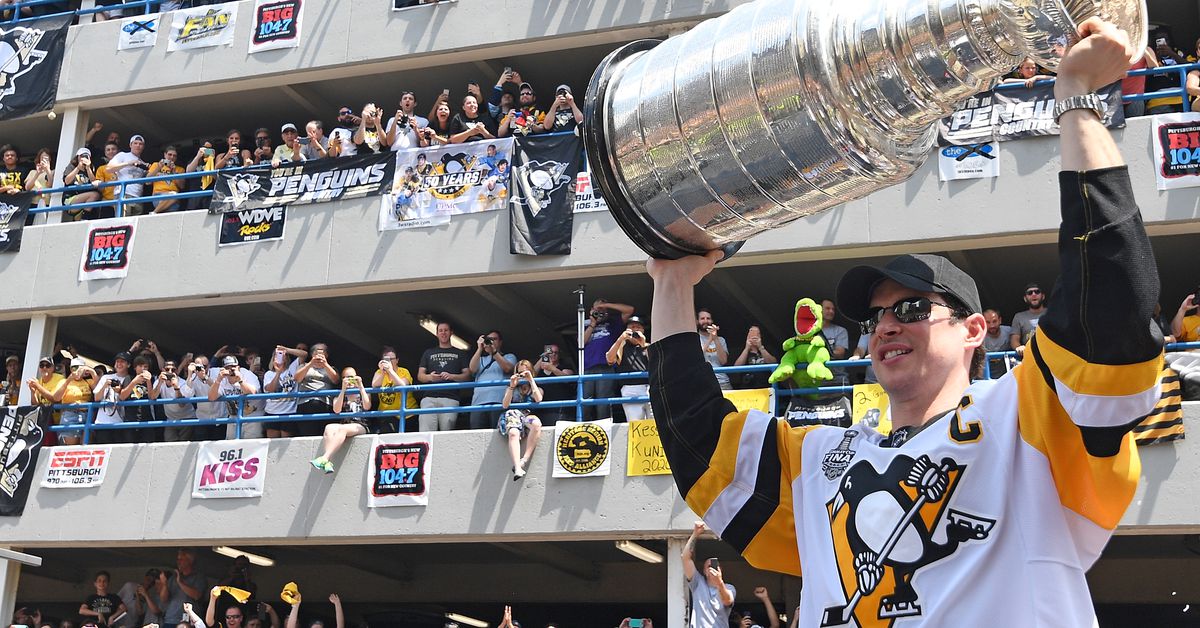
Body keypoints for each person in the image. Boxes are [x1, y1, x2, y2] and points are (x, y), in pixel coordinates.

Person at [645, 18, 1162, 625]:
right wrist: (671, 284)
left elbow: (1109, 309)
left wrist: (1076, 99)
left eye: (913, 309)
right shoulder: (820, 463)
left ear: (975, 330)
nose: (886, 325)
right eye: (876, 316)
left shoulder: (1026, 422)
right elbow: (697, 440)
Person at [309, 367, 372, 473]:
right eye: (346, 378)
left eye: (352, 377)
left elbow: (367, 406)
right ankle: (327, 462)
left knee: (342, 429)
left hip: (360, 424)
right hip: (345, 424)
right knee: (329, 427)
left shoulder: (364, 393)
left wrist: (360, 386)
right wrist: (343, 390)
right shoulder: (339, 394)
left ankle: (325, 458)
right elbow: (336, 410)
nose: (350, 380)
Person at [583, 298, 635, 420]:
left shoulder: (613, 322)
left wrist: (606, 305)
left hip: (606, 365)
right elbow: (580, 342)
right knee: (585, 401)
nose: (599, 312)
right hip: (587, 367)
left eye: (602, 310)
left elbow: (630, 310)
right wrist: (592, 323)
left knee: (603, 401)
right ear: (591, 310)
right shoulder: (585, 323)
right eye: (596, 309)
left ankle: (604, 426)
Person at [416, 322, 471, 431]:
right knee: (426, 433)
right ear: (436, 333)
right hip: (429, 398)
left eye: (446, 330)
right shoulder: (428, 353)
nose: (443, 333)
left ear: (451, 333)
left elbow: (468, 376)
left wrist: (452, 376)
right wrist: (430, 377)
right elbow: (420, 375)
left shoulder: (460, 353)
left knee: (446, 434)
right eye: (440, 330)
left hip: (450, 398)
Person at [681, 522, 734, 628]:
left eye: (715, 566)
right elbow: (685, 557)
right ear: (704, 571)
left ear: (721, 570)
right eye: (708, 566)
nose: (712, 569)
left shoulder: (729, 588)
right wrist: (695, 533)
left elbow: (728, 601)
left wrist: (719, 583)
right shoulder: (698, 583)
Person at [500, 359, 544, 481]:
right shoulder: (511, 387)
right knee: (513, 432)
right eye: (520, 373)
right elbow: (505, 405)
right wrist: (512, 386)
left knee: (536, 424)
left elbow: (538, 398)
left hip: (526, 416)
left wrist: (531, 380)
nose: (523, 375)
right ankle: (517, 467)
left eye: (526, 372)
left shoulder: (536, 387)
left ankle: (524, 460)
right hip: (513, 414)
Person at [468, 330, 516, 429]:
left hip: (499, 402)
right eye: (489, 340)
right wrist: (479, 349)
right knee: (477, 435)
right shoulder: (481, 359)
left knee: (498, 435)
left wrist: (494, 352)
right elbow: (472, 369)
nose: (491, 342)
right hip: (478, 403)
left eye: (494, 339)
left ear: (500, 342)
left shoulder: (509, 356)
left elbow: (507, 368)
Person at [605, 316, 651, 421]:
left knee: (654, 423)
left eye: (638, 327)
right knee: (635, 423)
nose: (635, 330)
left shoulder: (648, 346)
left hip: (650, 388)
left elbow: (655, 362)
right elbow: (609, 359)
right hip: (630, 389)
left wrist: (642, 344)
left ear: (643, 330)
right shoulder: (621, 347)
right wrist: (621, 339)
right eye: (632, 327)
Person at [293, 343, 339, 436]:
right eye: (316, 352)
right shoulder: (304, 365)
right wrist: (311, 363)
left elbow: (336, 380)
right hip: (305, 403)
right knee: (307, 433)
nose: (319, 355)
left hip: (325, 403)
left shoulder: (331, 368)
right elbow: (297, 378)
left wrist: (325, 364)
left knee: (324, 433)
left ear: (327, 355)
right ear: (312, 354)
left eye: (323, 352)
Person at [263, 345, 308, 438]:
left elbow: (304, 355)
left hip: (289, 411)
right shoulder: (269, 374)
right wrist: (278, 372)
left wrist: (287, 350)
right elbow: (270, 389)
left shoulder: (292, 368)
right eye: (277, 355)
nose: (280, 356)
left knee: (285, 441)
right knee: (272, 444)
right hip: (272, 411)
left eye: (283, 355)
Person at [149, 359, 197, 442]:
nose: (170, 372)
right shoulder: (159, 381)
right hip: (170, 419)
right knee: (169, 443)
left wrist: (176, 388)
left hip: (187, 419)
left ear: (177, 371)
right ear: (163, 370)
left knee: (183, 445)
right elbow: (153, 397)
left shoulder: (183, 383)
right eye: (167, 369)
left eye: (173, 370)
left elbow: (182, 405)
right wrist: (160, 382)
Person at [372, 347, 415, 433]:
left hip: (408, 414)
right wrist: (383, 372)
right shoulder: (379, 372)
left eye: (392, 359)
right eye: (387, 359)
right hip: (387, 414)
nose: (389, 362)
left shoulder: (404, 371)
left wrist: (390, 371)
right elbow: (374, 385)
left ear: (397, 360)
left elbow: (403, 385)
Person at [532, 342, 575, 426]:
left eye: (556, 353)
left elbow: (567, 378)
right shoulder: (540, 368)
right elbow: (530, 374)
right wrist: (542, 358)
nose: (553, 355)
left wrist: (552, 368)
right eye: (551, 352)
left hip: (560, 408)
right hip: (543, 408)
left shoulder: (564, 365)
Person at [105, 135, 150, 215]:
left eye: (140, 144)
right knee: (122, 223)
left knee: (133, 226)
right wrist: (128, 163)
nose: (138, 146)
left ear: (143, 147)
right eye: (135, 143)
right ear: (130, 145)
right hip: (124, 194)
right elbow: (108, 168)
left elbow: (148, 181)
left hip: (138, 197)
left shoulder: (143, 163)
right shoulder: (123, 155)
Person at [160, 549, 206, 625]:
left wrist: (180, 582)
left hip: (189, 621)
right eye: (178, 559)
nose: (178, 562)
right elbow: (163, 599)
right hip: (170, 620)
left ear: (190, 561)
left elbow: (197, 595)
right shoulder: (173, 578)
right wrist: (164, 584)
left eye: (181, 559)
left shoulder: (199, 577)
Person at [1009, 281, 1047, 358]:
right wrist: (1018, 347)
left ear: (1043, 296)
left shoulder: (1052, 313)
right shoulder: (1019, 317)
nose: (1033, 294)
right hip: (1029, 358)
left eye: (1037, 292)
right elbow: (1014, 339)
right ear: (1025, 299)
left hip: (1051, 356)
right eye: (1029, 293)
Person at [696, 308, 731, 390]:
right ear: (697, 321)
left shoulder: (721, 340)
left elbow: (723, 361)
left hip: (722, 382)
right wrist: (710, 339)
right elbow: (697, 358)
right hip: (703, 382)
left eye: (708, 318)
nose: (705, 321)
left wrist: (715, 339)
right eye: (702, 318)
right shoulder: (694, 338)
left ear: (712, 321)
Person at [732, 326, 776, 390]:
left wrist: (760, 347)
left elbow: (773, 362)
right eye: (751, 333)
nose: (754, 336)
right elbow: (736, 367)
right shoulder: (743, 350)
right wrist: (747, 348)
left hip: (766, 387)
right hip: (747, 389)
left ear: (760, 336)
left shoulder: (767, 348)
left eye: (757, 333)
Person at [64, 148, 101, 219]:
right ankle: (84, 218)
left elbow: (94, 183)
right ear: (77, 157)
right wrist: (78, 168)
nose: (83, 158)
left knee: (96, 195)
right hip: (70, 199)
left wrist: (88, 168)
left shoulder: (91, 168)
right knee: (94, 195)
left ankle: (81, 217)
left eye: (86, 156)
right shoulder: (72, 166)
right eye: (81, 156)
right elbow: (67, 181)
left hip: (86, 200)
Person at [146, 146, 186, 213]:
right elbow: (147, 182)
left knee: (174, 195)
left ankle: (154, 212)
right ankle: (155, 212)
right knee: (173, 196)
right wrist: (158, 168)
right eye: (169, 154)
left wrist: (174, 172)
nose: (172, 157)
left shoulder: (180, 169)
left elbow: (182, 186)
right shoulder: (156, 165)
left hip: (173, 199)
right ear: (165, 155)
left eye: (174, 156)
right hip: (158, 196)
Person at [981, 308, 1014, 378]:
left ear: (1000, 320)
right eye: (988, 322)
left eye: (994, 321)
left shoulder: (1009, 332)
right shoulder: (979, 336)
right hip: (985, 376)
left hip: (1006, 375)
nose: (992, 325)